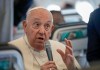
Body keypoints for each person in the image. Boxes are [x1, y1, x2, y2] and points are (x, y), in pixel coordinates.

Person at [9, 7, 81, 70]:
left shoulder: (62, 49)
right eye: (37, 25)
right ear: (25, 26)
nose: (42, 31)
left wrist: (71, 67)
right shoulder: (11, 51)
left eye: (47, 26)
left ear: (51, 30)